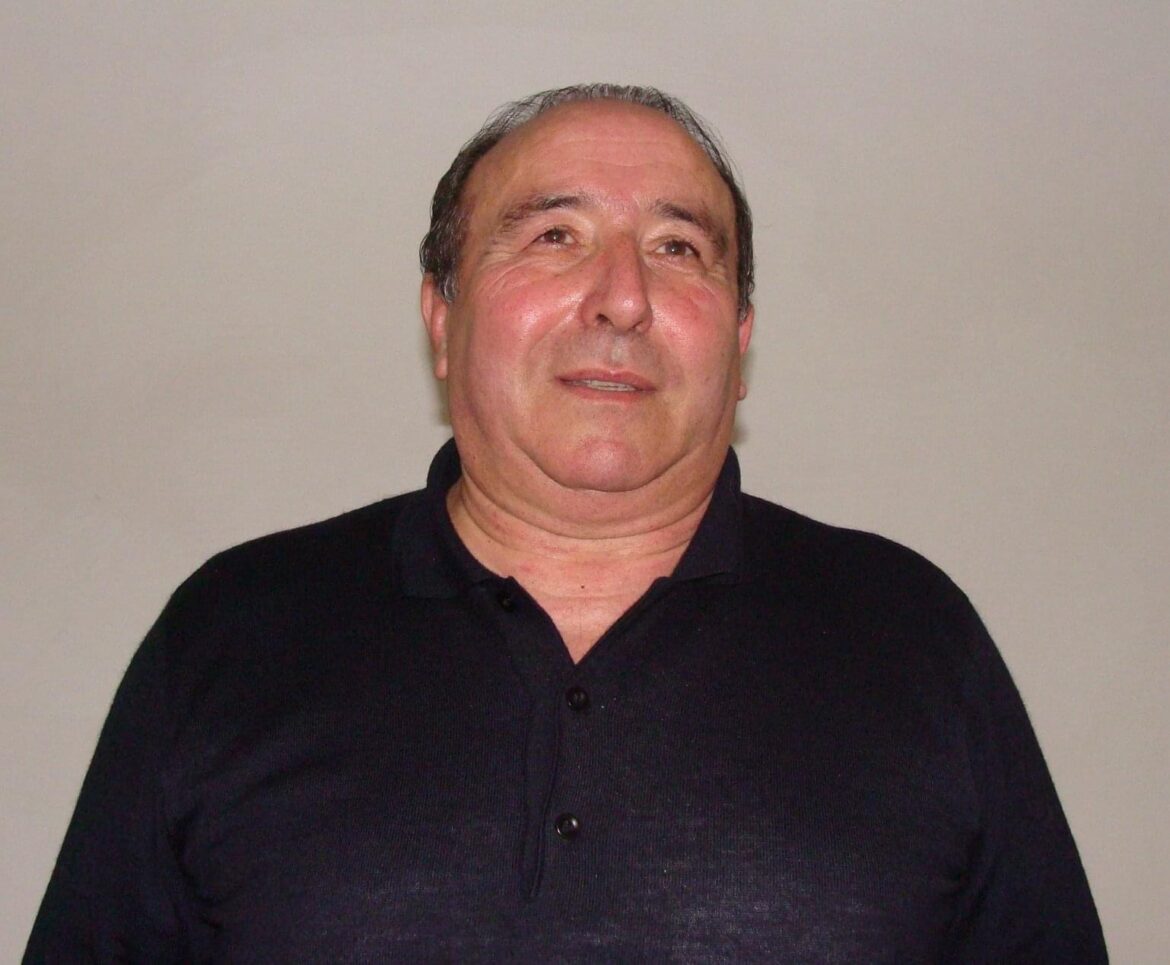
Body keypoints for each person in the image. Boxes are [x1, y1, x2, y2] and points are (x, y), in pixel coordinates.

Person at [25, 84, 1106, 962]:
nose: (622, 297)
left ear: (739, 339)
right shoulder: (231, 631)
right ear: (442, 318)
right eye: (553, 234)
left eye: (679, 248)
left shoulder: (913, 635)